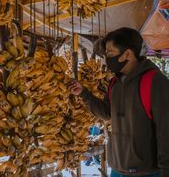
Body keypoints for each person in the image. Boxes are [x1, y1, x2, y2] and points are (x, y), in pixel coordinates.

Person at [68, 27, 169, 177]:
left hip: (146, 172)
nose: (106, 59)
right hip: (117, 169)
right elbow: (107, 113)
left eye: (110, 54)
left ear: (127, 54)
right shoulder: (115, 83)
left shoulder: (155, 81)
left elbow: (165, 130)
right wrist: (84, 93)